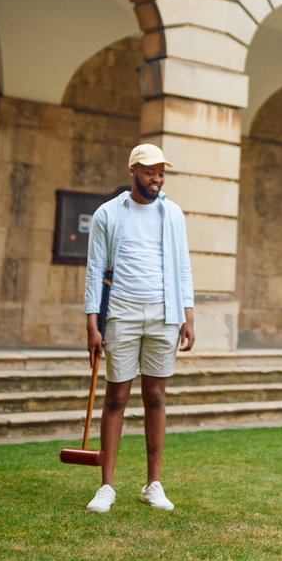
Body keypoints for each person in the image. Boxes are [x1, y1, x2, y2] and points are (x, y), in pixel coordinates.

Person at [83, 143, 195, 514]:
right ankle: (107, 487)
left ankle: (154, 484)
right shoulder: (108, 214)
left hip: (165, 314)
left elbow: (183, 267)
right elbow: (95, 269)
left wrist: (187, 314)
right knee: (116, 398)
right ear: (133, 171)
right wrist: (92, 321)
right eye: (150, 172)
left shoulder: (173, 213)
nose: (157, 179)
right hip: (122, 313)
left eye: (161, 173)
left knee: (157, 397)